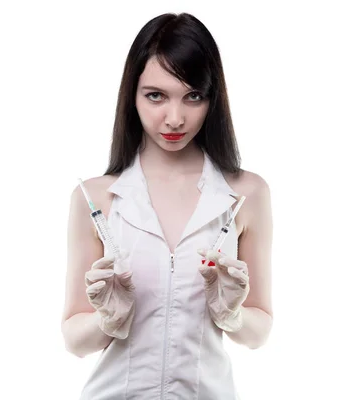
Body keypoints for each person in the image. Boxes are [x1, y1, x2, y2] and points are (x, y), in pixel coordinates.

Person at [61, 12, 273, 400]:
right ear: (132, 95)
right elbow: (75, 339)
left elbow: (259, 331)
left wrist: (232, 314)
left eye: (193, 96)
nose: (174, 118)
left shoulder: (247, 193)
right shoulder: (94, 197)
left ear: (213, 97)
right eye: (156, 95)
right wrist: (109, 320)